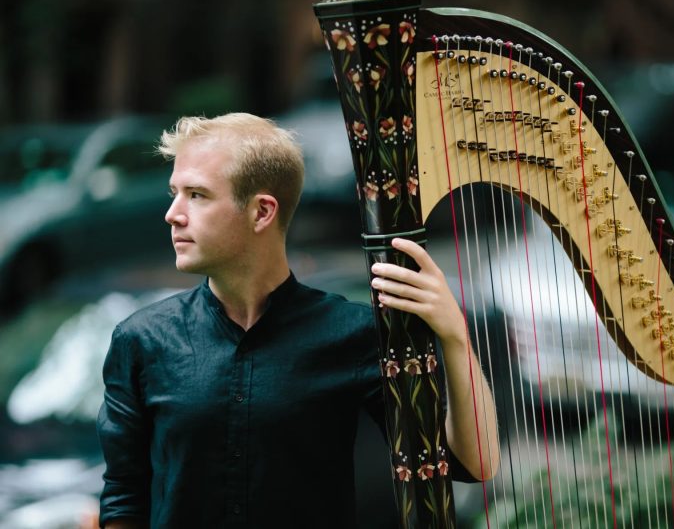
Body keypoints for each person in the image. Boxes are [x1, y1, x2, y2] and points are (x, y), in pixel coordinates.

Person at [97, 113, 499, 528]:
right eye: (174, 193)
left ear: (261, 212)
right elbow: (124, 498)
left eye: (197, 195)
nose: (173, 214)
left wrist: (455, 336)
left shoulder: (353, 334)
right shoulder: (141, 340)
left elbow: (473, 464)